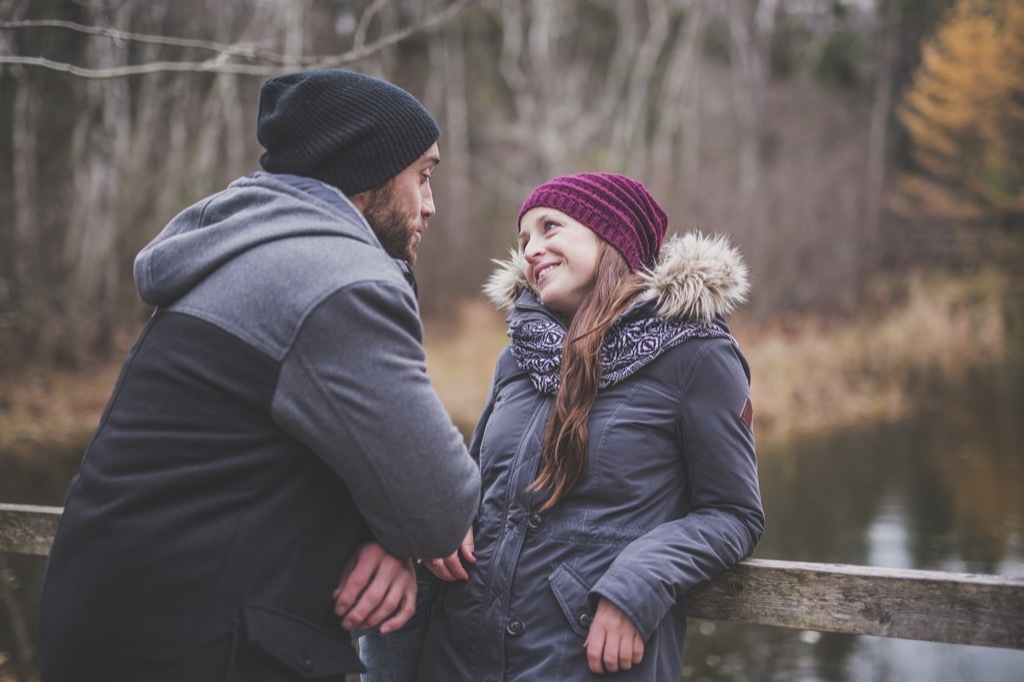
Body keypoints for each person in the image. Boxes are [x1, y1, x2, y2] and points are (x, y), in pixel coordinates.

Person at [36, 69, 480, 681]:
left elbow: (259, 455)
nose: (429, 204)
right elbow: (438, 504)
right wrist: (402, 528)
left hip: (104, 623)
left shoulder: (240, 247)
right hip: (203, 648)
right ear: (368, 171)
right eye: (423, 176)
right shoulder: (337, 278)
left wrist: (386, 531)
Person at [395, 172, 765, 680]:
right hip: (461, 657)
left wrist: (638, 583)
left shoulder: (697, 357)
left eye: (550, 227)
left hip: (582, 660)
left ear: (610, 235)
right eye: (523, 239)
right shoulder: (517, 357)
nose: (530, 250)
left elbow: (733, 514)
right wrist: (447, 512)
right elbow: (476, 478)